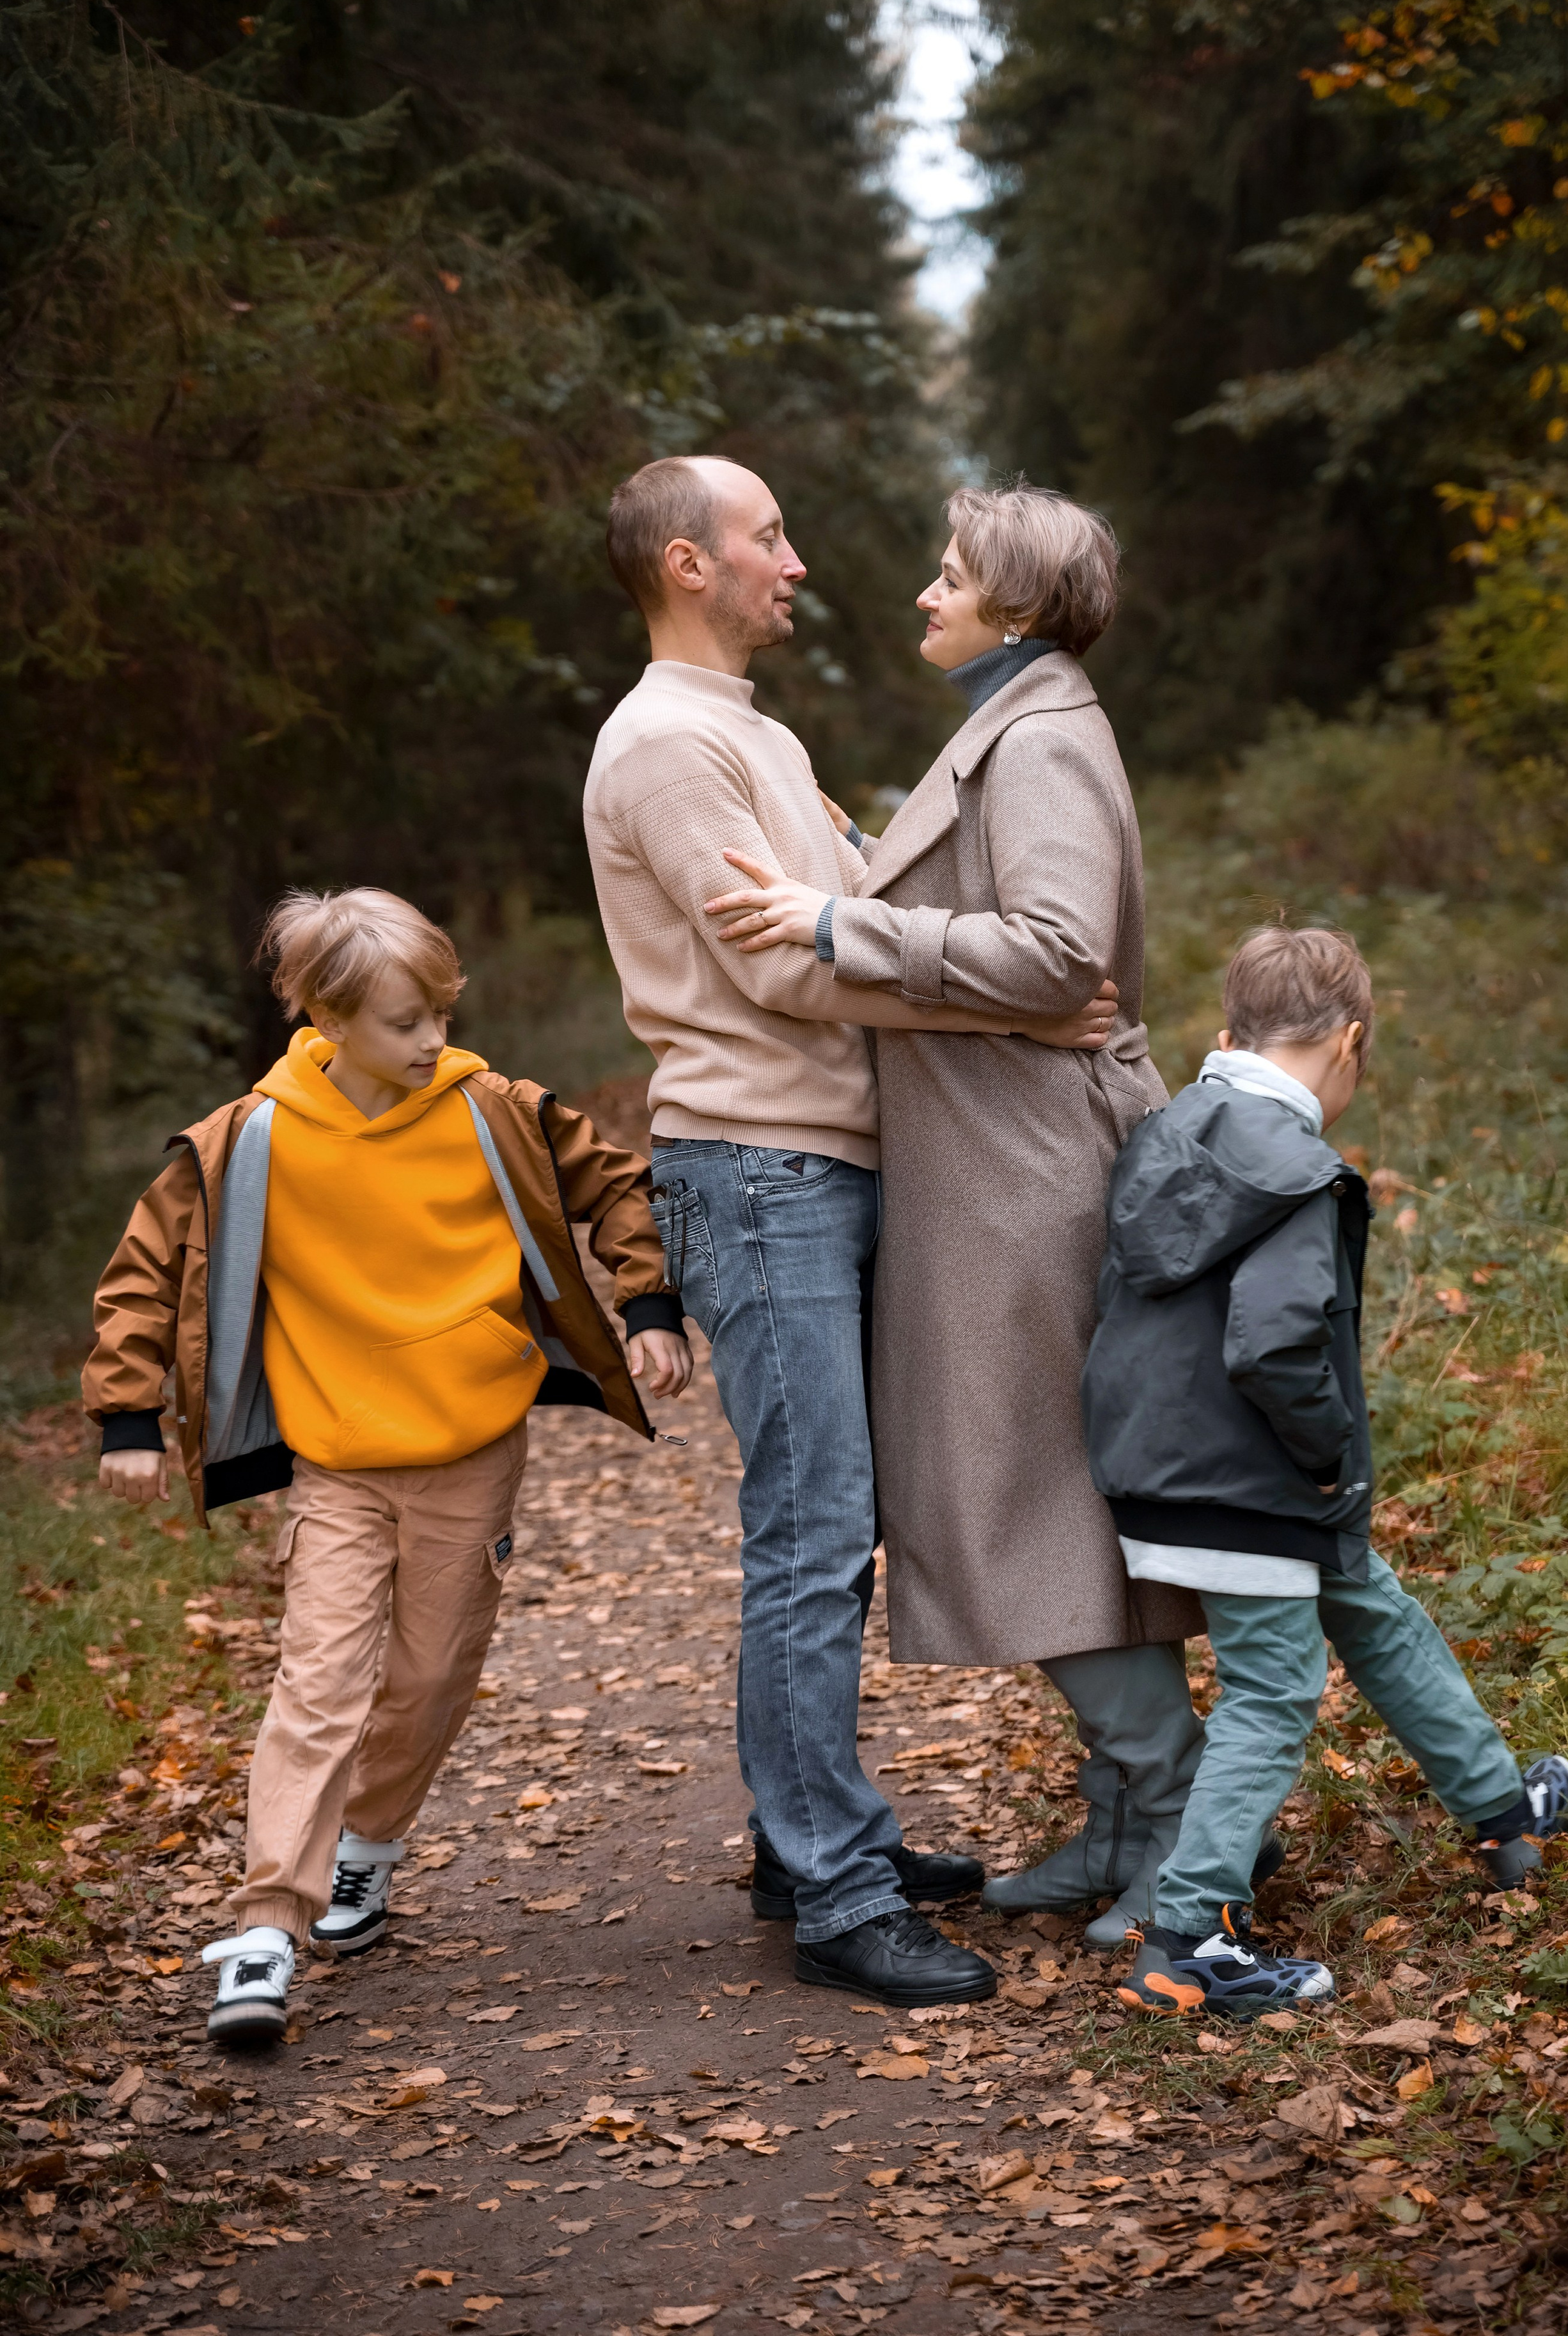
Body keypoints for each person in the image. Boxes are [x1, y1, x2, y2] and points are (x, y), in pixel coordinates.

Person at [583, 455, 1117, 2007]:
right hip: (754, 1170)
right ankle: (831, 1889)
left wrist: (984, 1006)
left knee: (838, 1523)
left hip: (821, 1161)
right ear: (688, 563)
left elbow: (835, 925)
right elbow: (781, 976)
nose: (797, 562)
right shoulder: (668, 745)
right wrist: (1013, 1011)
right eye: (767, 538)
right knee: (811, 1533)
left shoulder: (752, 730)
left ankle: (806, 1832)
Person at [705, 482, 1217, 1948]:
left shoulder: (1043, 735)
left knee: (1024, 1486)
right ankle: (1124, 1820)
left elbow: (1055, 954)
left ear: (1017, 604)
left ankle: (1170, 1808)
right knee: (1046, 1487)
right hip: (1000, 1155)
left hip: (1025, 1172)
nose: (922, 597)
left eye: (948, 577)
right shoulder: (1016, 720)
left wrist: (830, 923)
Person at [84, 887, 691, 2044]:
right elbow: (143, 1271)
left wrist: (647, 1301)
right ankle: (268, 1924)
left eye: (440, 1015)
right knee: (319, 1679)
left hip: (471, 1450)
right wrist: (125, 1417)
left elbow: (614, 1183)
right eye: (409, 1022)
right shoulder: (247, 1141)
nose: (433, 1041)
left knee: (427, 1679)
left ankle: (366, 1845)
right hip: (339, 1462)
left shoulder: (491, 1110)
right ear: (326, 1016)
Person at [1081, 923, 1568, 2019]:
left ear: (1228, 1035)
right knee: (1270, 1696)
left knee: (1373, 1608)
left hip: (1158, 1464)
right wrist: (1322, 1453)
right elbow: (1274, 1344)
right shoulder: (1302, 1170)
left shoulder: (1165, 1136)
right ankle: (1185, 1939)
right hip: (1251, 1478)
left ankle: (1506, 1815)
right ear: (1351, 1041)